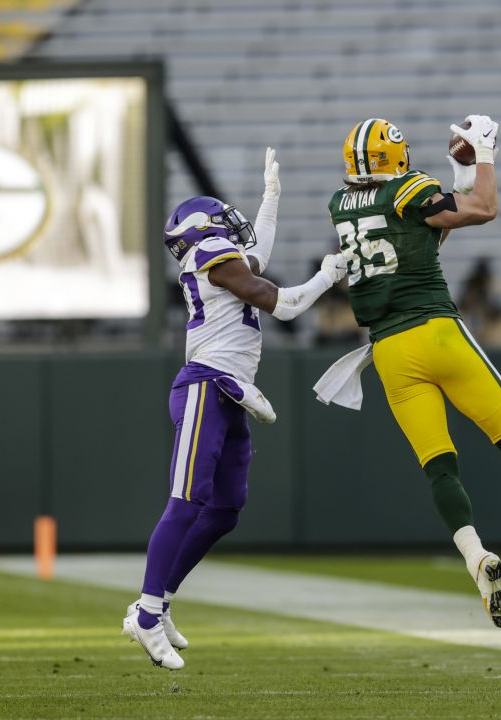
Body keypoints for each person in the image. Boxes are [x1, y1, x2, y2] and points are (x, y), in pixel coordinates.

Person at [319, 116, 501, 629]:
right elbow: (484, 210)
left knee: (439, 466)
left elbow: (422, 237)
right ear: (396, 157)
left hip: (390, 352)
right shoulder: (409, 188)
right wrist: (486, 156)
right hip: (438, 333)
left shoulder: (341, 205)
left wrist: (457, 175)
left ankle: (476, 557)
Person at [122, 149, 348, 670]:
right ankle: (148, 615)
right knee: (185, 500)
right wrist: (326, 276)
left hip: (229, 388)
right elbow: (282, 302)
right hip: (207, 385)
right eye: (221, 219)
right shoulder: (211, 258)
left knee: (225, 508)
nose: (232, 223)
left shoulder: (220, 259)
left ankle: (158, 600)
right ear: (204, 232)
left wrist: (271, 199)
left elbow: (257, 258)